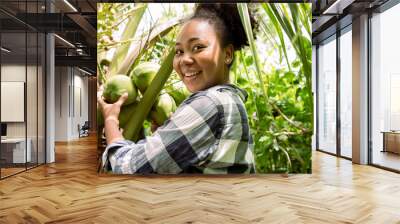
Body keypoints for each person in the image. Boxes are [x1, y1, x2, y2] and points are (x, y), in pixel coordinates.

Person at [98, 3, 257, 174]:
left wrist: (111, 121)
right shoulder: (231, 102)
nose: (184, 60)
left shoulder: (210, 104)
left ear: (227, 54)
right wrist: (166, 137)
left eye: (198, 47)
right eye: (179, 51)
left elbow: (130, 168)